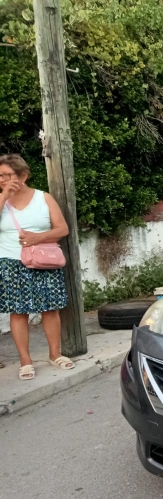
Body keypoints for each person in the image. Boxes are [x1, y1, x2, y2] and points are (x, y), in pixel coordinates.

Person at [0, 154, 74, 380]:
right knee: (19, 311)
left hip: (43, 259)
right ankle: (25, 361)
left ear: (23, 175)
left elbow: (62, 229)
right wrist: (4, 196)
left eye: (6, 175)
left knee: (50, 308)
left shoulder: (44, 198)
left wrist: (37, 238)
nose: (2, 179)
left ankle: (55, 354)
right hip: (12, 262)